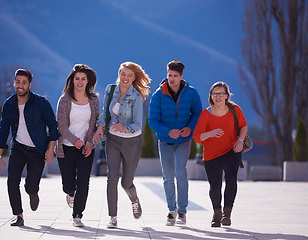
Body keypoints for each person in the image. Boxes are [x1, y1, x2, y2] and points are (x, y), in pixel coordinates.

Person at [0, 69, 59, 227]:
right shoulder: (9, 104)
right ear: (14, 82)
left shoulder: (40, 103)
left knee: (31, 186)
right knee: (11, 182)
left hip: (37, 150)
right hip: (18, 148)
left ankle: (32, 192)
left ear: (29, 84)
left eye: (24, 82)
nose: (20, 85)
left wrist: (51, 150)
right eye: (18, 82)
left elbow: (53, 126)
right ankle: (18, 215)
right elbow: (3, 130)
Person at [93, 62, 151, 229]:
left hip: (132, 142)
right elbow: (105, 112)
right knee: (112, 177)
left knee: (126, 183)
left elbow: (138, 124)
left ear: (134, 78)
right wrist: (100, 127)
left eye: (129, 75)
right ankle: (113, 217)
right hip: (112, 140)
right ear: (119, 73)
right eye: (123, 74)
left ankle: (134, 200)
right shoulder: (111, 90)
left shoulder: (137, 96)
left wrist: (125, 128)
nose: (125, 78)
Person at [148, 60, 202, 226]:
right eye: (169, 75)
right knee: (167, 177)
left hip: (184, 140)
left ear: (181, 77)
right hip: (165, 141)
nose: (172, 79)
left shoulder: (192, 93)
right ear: (167, 75)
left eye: (175, 76)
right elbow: (152, 120)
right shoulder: (158, 95)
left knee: (181, 172)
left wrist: (189, 128)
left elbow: (198, 114)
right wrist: (167, 131)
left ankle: (182, 211)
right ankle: (171, 210)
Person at [193, 81, 247, 227]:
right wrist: (210, 133)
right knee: (215, 186)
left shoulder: (235, 110)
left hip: (232, 150)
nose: (218, 97)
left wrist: (240, 141)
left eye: (221, 94)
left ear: (226, 96)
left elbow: (243, 126)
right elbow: (197, 137)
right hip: (211, 154)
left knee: (231, 179)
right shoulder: (206, 114)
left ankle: (227, 214)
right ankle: (216, 213)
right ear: (211, 96)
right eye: (215, 94)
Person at [55, 64, 100, 227]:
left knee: (83, 181)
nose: (80, 82)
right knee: (68, 184)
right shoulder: (65, 100)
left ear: (88, 81)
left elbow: (94, 124)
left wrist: (88, 142)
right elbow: (61, 125)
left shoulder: (94, 100)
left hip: (86, 148)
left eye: (83, 79)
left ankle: (77, 215)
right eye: (77, 79)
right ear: (72, 80)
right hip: (66, 147)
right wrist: (74, 140)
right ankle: (70, 193)